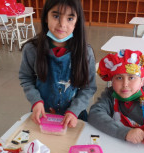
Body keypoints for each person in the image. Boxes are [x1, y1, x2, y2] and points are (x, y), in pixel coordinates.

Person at [19, 0, 97, 128]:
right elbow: (26, 78)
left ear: (77, 22)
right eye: (56, 16)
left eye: (70, 18)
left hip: (75, 117)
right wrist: (36, 101)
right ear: (45, 17)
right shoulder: (31, 49)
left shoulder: (85, 52)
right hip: (43, 116)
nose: (62, 24)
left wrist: (74, 111)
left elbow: (88, 88)